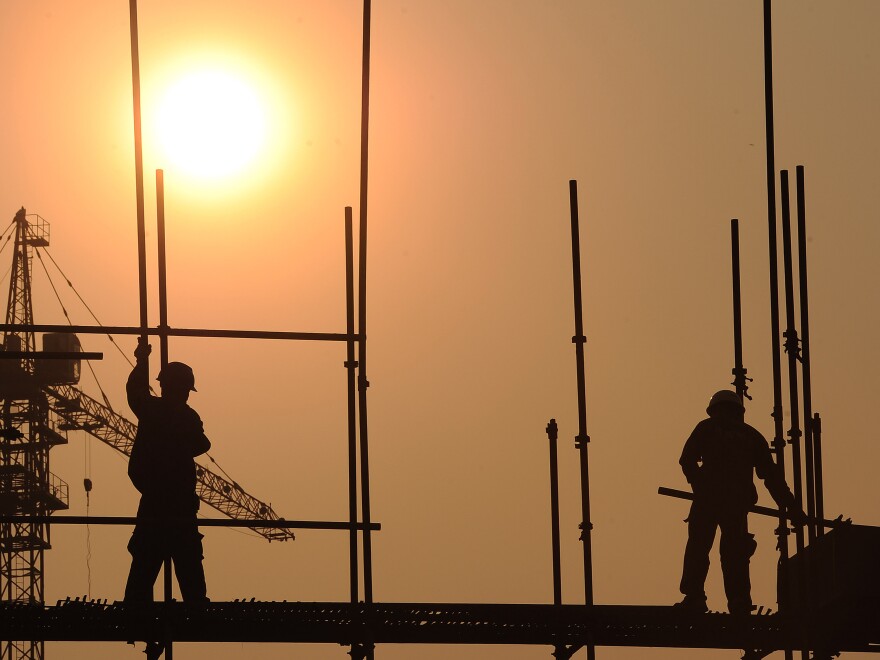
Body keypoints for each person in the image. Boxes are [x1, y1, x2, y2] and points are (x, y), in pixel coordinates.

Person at [675, 390, 806, 615]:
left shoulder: (706, 427)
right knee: (734, 553)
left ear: (714, 410)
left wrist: (700, 487)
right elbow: (772, 478)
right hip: (735, 503)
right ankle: (739, 602)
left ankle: (695, 597)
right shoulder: (751, 436)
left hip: (709, 501)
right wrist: (792, 508)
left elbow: (686, 460)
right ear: (739, 412)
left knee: (699, 547)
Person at [123, 339, 210, 603]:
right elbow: (202, 443)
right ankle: (195, 607)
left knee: (147, 559)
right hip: (178, 502)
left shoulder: (152, 410)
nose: (184, 394)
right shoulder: (187, 416)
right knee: (187, 559)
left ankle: (137, 608)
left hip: (156, 500)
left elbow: (135, 391)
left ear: (163, 385)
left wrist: (141, 361)